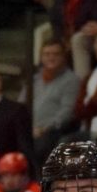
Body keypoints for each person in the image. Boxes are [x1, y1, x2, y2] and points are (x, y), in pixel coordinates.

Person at [31, 39, 81, 167]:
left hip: (53, 131)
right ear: (41, 57)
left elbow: (67, 112)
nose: (51, 57)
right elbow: (21, 105)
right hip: (30, 129)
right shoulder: (34, 79)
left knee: (41, 145)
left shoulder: (71, 80)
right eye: (47, 54)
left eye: (56, 54)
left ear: (63, 57)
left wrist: (44, 128)